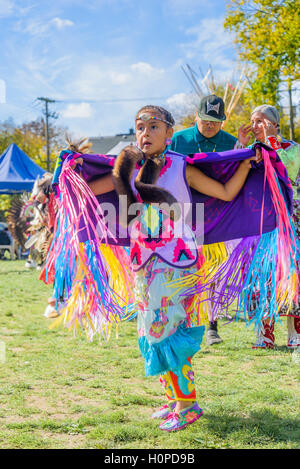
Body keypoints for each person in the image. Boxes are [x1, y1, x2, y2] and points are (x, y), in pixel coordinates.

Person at [68, 105, 261, 432]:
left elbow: (227, 193)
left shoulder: (181, 167)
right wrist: (72, 166)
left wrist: (243, 161)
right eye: (140, 127)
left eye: (154, 126)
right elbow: (86, 190)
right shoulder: (127, 169)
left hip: (177, 262)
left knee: (166, 331)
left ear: (170, 133)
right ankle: (175, 400)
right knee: (151, 331)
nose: (145, 133)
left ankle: (188, 406)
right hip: (144, 263)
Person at [170, 95, 238, 346]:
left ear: (223, 121)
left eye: (216, 121)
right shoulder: (179, 139)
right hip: (185, 214)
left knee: (213, 269)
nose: (210, 125)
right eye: (206, 119)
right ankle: (182, 321)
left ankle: (212, 326)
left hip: (217, 213)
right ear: (196, 117)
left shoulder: (230, 142)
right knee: (183, 267)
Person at [238, 104, 300, 349]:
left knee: (291, 275)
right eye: (253, 121)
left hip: (289, 223)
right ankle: (265, 335)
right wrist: (240, 146)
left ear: (275, 124)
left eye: (261, 121)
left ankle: (295, 333)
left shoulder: (291, 149)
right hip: (259, 223)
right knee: (261, 277)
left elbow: (289, 170)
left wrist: (272, 143)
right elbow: (233, 173)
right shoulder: (250, 151)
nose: (255, 126)